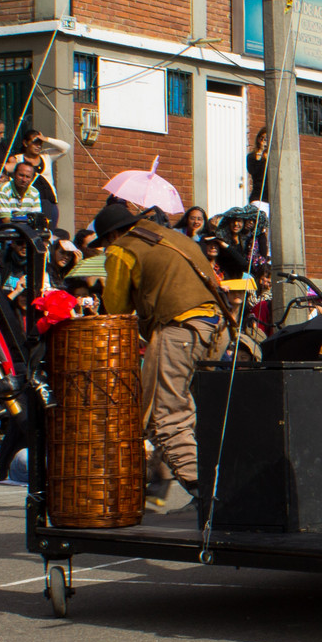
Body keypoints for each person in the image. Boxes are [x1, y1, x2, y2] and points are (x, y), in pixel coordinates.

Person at [93, 200, 227, 505]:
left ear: (111, 236)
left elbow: (116, 309)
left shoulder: (122, 248)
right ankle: (160, 477)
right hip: (216, 328)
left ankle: (204, 491)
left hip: (181, 329)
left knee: (165, 414)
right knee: (177, 407)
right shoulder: (169, 235)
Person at [0, 159, 47, 227]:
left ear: (32, 178)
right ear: (14, 174)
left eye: (27, 177)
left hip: (28, 230)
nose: (24, 180)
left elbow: (36, 219)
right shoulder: (3, 189)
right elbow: (5, 220)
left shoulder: (34, 192)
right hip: (8, 231)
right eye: (21, 175)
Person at [246, 128, 268, 203]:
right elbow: (252, 170)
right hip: (258, 197)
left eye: (266, 139)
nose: (264, 142)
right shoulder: (252, 156)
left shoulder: (272, 157)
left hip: (271, 197)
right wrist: (260, 153)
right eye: (262, 138)